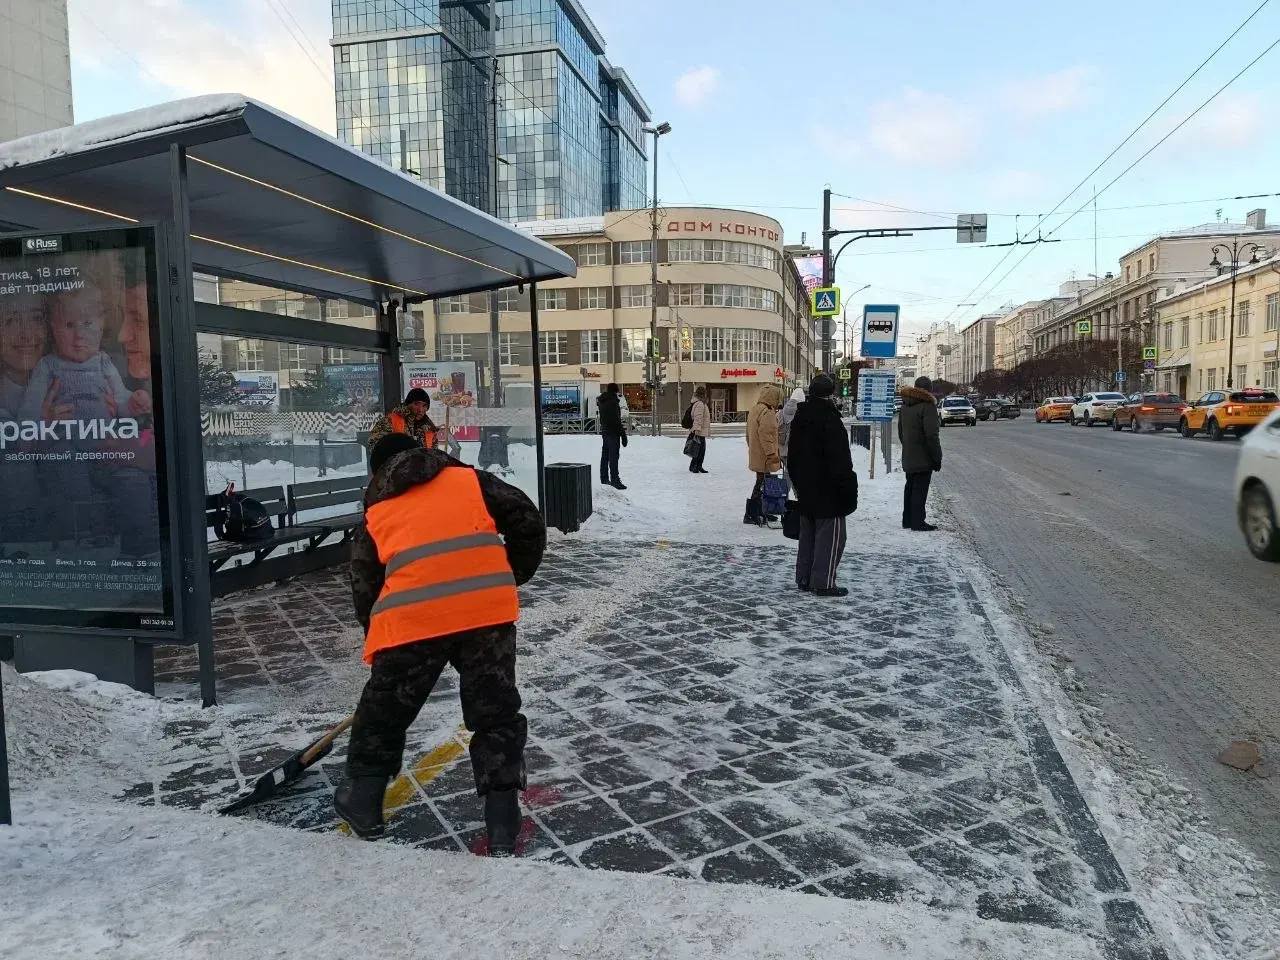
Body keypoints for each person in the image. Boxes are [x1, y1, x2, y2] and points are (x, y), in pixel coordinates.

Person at [335, 433, 547, 854]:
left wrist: (381, 640)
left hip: (413, 618)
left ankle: (363, 801)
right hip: (485, 611)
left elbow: (364, 584)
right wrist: (510, 573)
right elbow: (526, 517)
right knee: (495, 712)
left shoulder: (377, 510)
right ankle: (502, 817)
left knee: (385, 710)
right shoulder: (470, 481)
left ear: (380, 470)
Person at [787, 373, 857, 596]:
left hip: (806, 488)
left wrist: (797, 482)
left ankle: (805, 578)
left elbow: (793, 454)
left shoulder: (801, 417)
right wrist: (847, 487)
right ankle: (823, 582)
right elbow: (840, 460)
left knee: (808, 536)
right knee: (831, 538)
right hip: (829, 491)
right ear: (831, 393)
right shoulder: (830, 419)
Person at [898, 376, 943, 532]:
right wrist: (937, 458)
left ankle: (908, 520)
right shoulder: (928, 406)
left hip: (909, 455)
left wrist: (909, 448)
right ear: (929, 390)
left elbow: (901, 433)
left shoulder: (905, 405)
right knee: (920, 490)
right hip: (924, 456)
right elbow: (931, 435)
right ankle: (918, 522)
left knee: (910, 487)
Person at [744, 383, 783, 525]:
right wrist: (772, 454)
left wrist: (753, 448)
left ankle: (761, 511)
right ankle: (751, 514)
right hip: (765, 456)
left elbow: (748, 434)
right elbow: (766, 436)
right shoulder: (767, 412)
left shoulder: (755, 409)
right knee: (761, 484)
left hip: (757, 453)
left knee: (763, 483)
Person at [367, 388, 439, 451]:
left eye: (424, 405)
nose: (420, 409)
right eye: (416, 404)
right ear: (408, 404)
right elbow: (374, 445)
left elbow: (434, 455)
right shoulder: (390, 421)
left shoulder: (430, 429)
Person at [596, 382, 627, 490]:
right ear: (616, 390)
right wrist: (623, 435)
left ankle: (604, 478)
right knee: (613, 456)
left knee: (605, 455)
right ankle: (615, 480)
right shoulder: (612, 402)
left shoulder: (602, 401)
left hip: (605, 431)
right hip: (613, 433)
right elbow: (616, 420)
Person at [777, 386, 805, 477]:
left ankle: (784, 491)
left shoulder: (780, 412)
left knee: (788, 473)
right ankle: (796, 491)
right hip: (796, 451)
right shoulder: (802, 413)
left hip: (781, 450)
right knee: (796, 475)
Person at [688, 386, 711, 474]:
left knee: (699, 449)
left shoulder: (699, 403)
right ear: (703, 394)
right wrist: (697, 429)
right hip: (699, 431)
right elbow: (698, 417)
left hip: (700, 430)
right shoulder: (700, 404)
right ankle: (696, 466)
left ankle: (696, 466)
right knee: (699, 450)